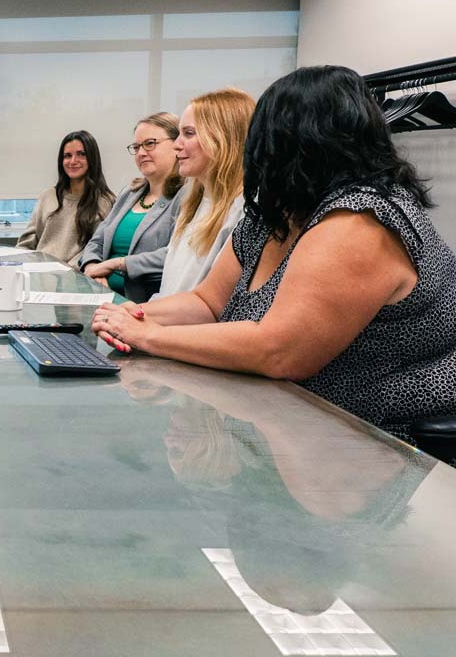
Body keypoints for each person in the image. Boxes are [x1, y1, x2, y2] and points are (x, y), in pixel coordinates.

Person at [92, 65, 456, 439]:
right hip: (285, 423)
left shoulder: (360, 220)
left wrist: (148, 335)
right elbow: (208, 302)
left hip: (377, 444)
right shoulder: (278, 212)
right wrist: (130, 315)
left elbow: (279, 350)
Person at [152, 88, 254, 298]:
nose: (177, 145)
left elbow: (209, 306)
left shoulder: (244, 210)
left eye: (188, 134)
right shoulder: (193, 202)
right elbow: (173, 288)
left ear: (224, 138)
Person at [79, 113, 185, 302]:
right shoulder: (129, 193)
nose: (141, 153)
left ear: (177, 144)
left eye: (150, 143)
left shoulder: (186, 196)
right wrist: (93, 268)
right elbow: (97, 241)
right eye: (136, 147)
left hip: (143, 304)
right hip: (100, 295)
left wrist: (117, 264)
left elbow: (176, 256)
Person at [16, 130, 115, 265]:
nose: (73, 161)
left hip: (75, 278)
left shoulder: (105, 202)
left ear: (92, 158)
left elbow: (96, 250)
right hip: (37, 274)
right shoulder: (47, 197)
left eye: (81, 154)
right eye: (67, 156)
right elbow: (27, 242)